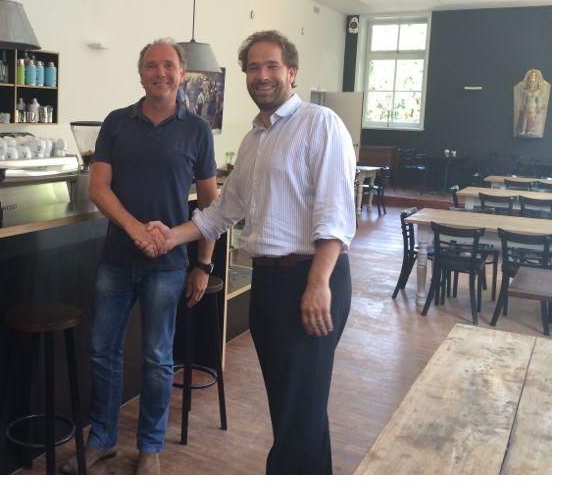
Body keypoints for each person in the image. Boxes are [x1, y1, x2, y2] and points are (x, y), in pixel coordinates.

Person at [139, 30, 357, 474]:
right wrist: (171, 236)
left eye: (272, 65)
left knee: (300, 410)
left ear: (291, 72)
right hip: (270, 283)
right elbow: (221, 212)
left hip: (311, 278)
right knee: (293, 408)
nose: (262, 75)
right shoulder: (255, 139)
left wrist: (319, 283)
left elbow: (335, 214)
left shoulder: (320, 123)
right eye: (253, 67)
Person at [70, 38, 219, 475]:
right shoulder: (117, 123)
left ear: (181, 74)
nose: (160, 73)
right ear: (140, 75)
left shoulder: (198, 130)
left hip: (168, 266)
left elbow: (210, 205)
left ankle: (150, 446)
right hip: (117, 259)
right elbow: (98, 187)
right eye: (151, 65)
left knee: (157, 359)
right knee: (102, 351)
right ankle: (102, 439)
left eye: (168, 65)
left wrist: (203, 264)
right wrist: (136, 229)